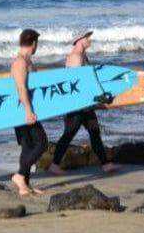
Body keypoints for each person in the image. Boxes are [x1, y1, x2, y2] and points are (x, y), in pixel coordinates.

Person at [47, 30, 119, 175]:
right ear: (80, 39)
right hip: (77, 104)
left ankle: (105, 164)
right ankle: (54, 165)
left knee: (94, 132)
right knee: (69, 133)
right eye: (87, 37)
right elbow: (77, 84)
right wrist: (95, 101)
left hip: (85, 104)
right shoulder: (76, 57)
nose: (90, 40)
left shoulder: (82, 55)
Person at [11, 28, 48, 196]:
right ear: (33, 43)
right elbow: (21, 88)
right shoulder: (20, 63)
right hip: (22, 110)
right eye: (37, 43)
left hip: (26, 109)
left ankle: (24, 185)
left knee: (28, 147)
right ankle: (20, 175)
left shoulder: (28, 61)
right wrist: (28, 111)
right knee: (42, 143)